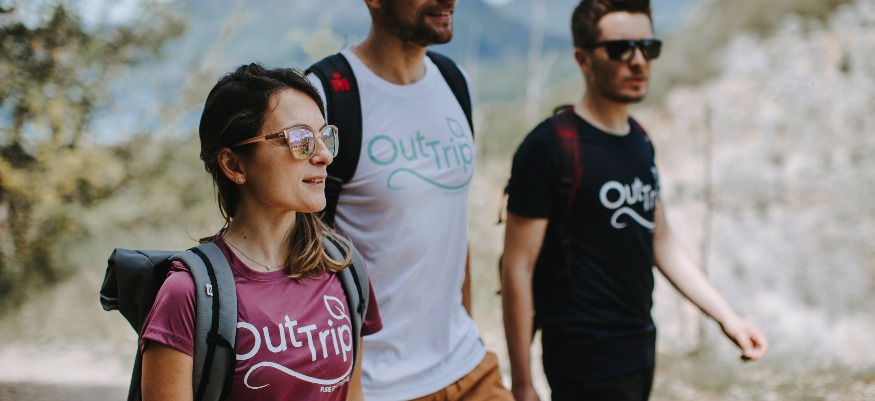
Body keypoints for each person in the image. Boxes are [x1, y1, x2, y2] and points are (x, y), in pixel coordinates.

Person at [500, 1, 769, 400]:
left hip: (639, 346)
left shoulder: (639, 140)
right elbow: (517, 267)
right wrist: (522, 383)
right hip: (583, 358)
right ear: (583, 59)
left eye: (648, 47)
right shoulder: (550, 146)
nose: (639, 61)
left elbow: (662, 241)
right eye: (621, 49)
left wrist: (727, 318)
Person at [306, 1, 513, 400]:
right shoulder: (326, 94)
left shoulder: (454, 81)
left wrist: (467, 323)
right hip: (378, 384)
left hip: (469, 365)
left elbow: (451, 220)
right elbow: (296, 249)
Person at [139, 64, 382, 401]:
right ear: (234, 164)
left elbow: (352, 394)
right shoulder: (187, 294)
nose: (324, 155)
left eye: (325, 137)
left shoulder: (343, 268)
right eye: (300, 140)